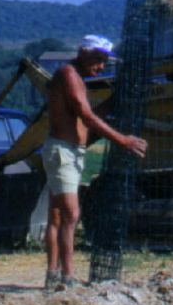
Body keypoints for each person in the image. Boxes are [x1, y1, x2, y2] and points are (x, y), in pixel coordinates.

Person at [42, 35, 147, 291]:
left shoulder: (76, 78)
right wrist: (123, 140)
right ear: (83, 52)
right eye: (98, 60)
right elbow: (86, 117)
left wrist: (113, 102)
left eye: (104, 62)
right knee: (71, 214)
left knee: (57, 216)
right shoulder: (68, 75)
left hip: (69, 151)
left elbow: (84, 118)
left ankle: (53, 276)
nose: (101, 67)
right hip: (63, 152)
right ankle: (67, 278)